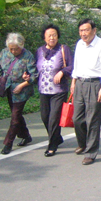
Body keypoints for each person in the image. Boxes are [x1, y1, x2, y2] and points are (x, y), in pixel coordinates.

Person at [70, 19, 101, 165]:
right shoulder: (79, 44)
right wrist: (73, 82)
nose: (83, 34)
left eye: (86, 30)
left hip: (95, 84)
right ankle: (82, 143)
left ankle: (90, 152)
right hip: (80, 83)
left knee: (93, 120)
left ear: (94, 31)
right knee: (77, 118)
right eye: (81, 31)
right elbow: (76, 65)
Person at [0, 33, 38, 155]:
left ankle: (8, 143)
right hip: (8, 88)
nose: (13, 51)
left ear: (21, 46)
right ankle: (26, 136)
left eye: (16, 48)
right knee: (16, 115)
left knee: (15, 116)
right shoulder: (4, 53)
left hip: (22, 90)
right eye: (11, 48)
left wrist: (22, 84)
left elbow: (34, 76)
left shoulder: (28, 56)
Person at [36, 24, 74, 157]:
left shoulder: (64, 49)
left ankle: (52, 146)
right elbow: (36, 69)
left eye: (54, 35)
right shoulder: (39, 51)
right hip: (43, 90)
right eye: (49, 35)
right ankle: (57, 137)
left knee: (53, 119)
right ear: (44, 37)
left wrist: (62, 72)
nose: (52, 38)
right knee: (45, 117)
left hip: (58, 90)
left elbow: (72, 66)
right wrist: (27, 76)